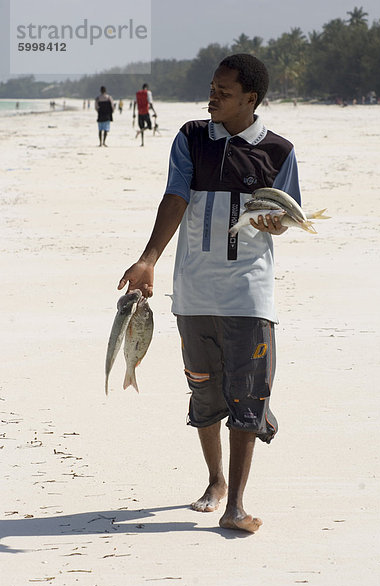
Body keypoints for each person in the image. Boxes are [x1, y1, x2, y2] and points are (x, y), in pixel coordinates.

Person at [118, 54, 301, 533]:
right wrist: (149, 259)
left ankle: (235, 504)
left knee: (246, 394)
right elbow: (176, 196)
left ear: (250, 98)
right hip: (194, 292)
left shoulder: (278, 151)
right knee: (203, 393)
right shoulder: (192, 137)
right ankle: (215, 479)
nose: (212, 96)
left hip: (248, 293)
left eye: (223, 90)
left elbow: (285, 219)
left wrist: (273, 224)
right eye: (212, 87)